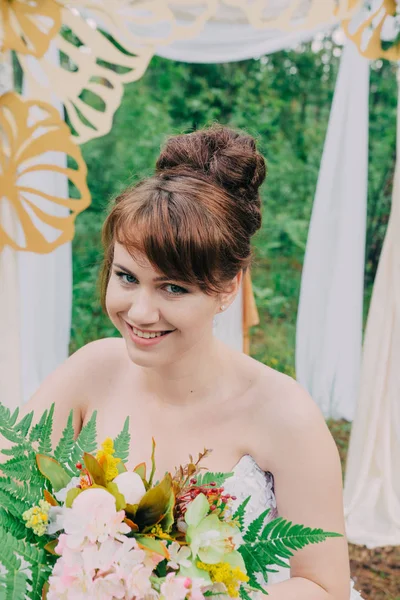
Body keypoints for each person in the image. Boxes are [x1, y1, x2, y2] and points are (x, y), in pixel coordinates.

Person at [1, 125, 362, 599]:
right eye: (127, 277)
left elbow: (324, 585)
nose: (141, 312)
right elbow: (10, 500)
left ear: (228, 287)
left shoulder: (285, 414)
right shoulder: (90, 371)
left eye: (173, 287)